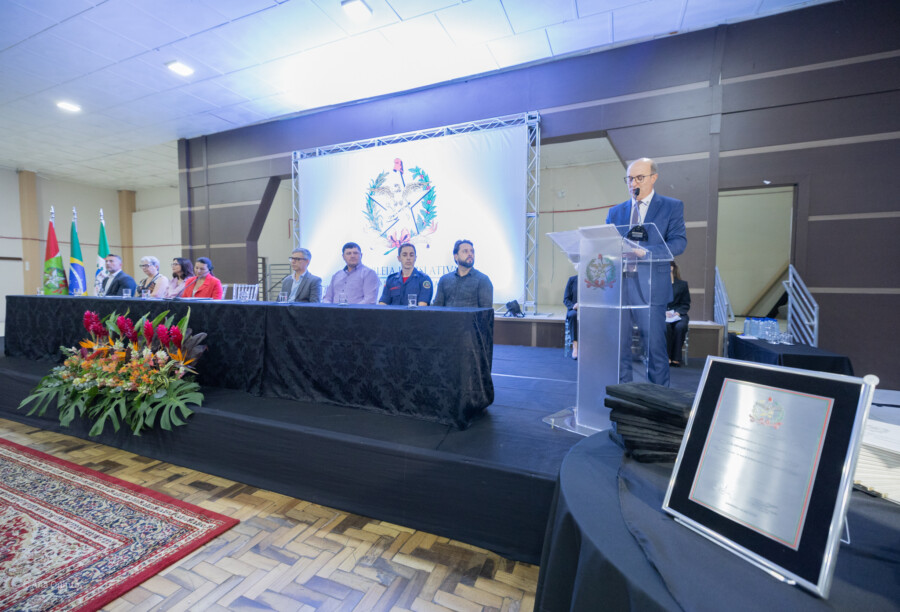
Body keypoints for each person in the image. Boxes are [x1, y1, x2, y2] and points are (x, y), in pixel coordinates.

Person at [606, 157, 687, 386]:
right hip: (619, 287)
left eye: (639, 177)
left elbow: (679, 243)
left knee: (654, 349)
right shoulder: (616, 212)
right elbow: (606, 243)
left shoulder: (671, 206)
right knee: (618, 349)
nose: (633, 183)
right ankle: (622, 399)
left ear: (653, 178)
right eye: (629, 179)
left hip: (651, 286)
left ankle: (658, 404)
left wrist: (646, 253)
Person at [432, 240, 493, 307]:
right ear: (456, 257)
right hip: (447, 317)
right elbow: (437, 308)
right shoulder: (444, 280)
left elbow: (486, 312)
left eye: (472, 251)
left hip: (472, 317)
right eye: (465, 251)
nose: (470, 254)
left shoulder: (483, 280)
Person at [666, 261, 690, 367]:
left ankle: (676, 357)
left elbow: (685, 303)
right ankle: (667, 356)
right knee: (666, 326)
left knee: (680, 327)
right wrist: (663, 313)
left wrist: (678, 313)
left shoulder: (682, 284)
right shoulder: (658, 284)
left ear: (673, 268)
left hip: (678, 313)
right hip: (663, 313)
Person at [563, 274, 578, 360]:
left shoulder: (594, 282)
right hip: (574, 309)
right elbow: (566, 299)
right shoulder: (572, 280)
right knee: (573, 315)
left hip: (588, 309)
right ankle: (575, 347)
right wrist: (573, 306)